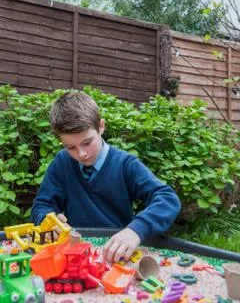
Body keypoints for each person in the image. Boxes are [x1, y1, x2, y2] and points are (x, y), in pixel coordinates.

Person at [31, 91, 181, 263]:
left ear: (101, 126)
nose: (81, 153)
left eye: (87, 142)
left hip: (117, 254)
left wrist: (136, 230)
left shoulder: (125, 164)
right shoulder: (62, 162)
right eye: (70, 147)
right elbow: (41, 205)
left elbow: (168, 198)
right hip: (75, 253)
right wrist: (48, 220)